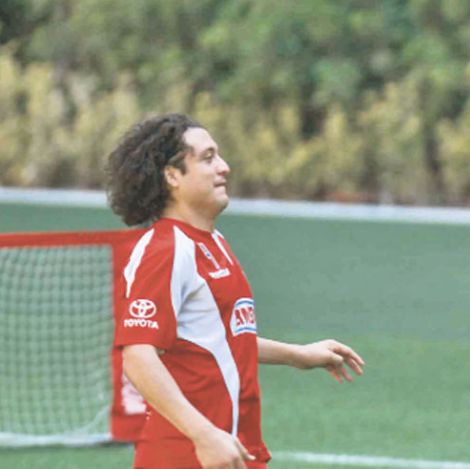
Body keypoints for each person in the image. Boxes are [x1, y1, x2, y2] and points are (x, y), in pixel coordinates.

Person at [105, 113, 365, 469]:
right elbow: (138, 356)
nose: (224, 167)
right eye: (208, 158)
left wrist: (298, 355)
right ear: (172, 176)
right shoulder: (166, 249)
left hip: (233, 450)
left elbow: (218, 340)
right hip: (185, 456)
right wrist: (203, 434)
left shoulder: (213, 242)